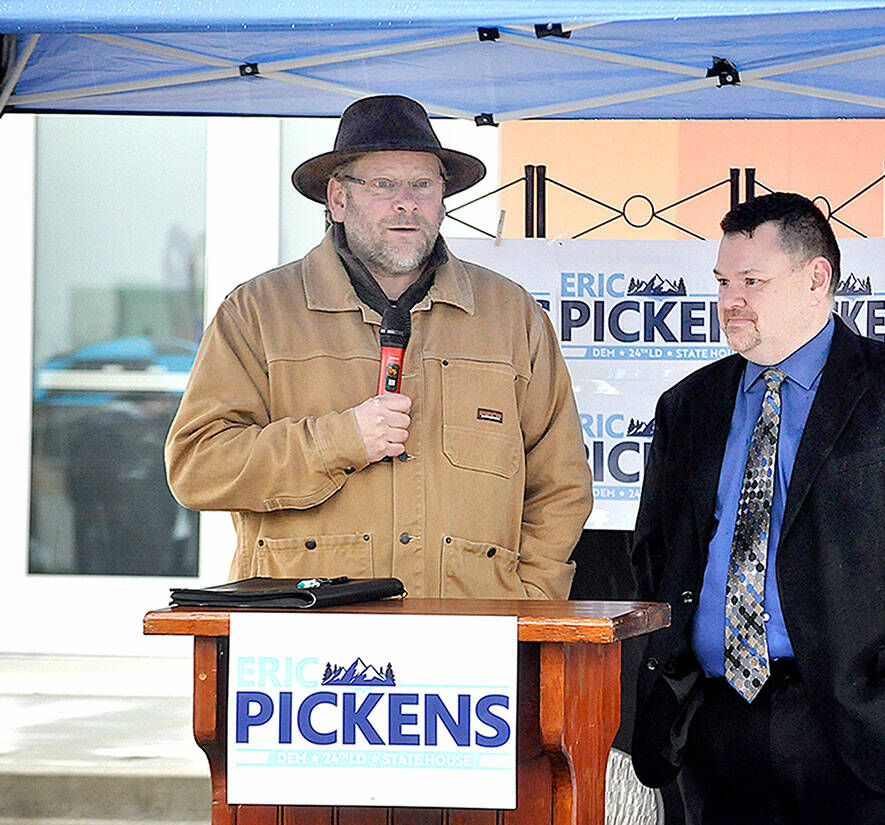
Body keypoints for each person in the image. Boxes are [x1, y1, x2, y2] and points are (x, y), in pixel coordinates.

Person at [630, 193, 885, 825]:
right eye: (724, 282)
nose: (731, 299)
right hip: (720, 728)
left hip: (865, 733)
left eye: (753, 281)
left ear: (817, 279)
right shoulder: (687, 406)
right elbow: (657, 556)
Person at [166, 94, 592, 599]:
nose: (406, 202)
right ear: (338, 200)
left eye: (423, 185)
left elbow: (561, 483)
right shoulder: (258, 312)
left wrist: (531, 599)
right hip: (304, 639)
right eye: (384, 185)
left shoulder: (511, 314)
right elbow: (197, 466)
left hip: (475, 642)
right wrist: (338, 440)